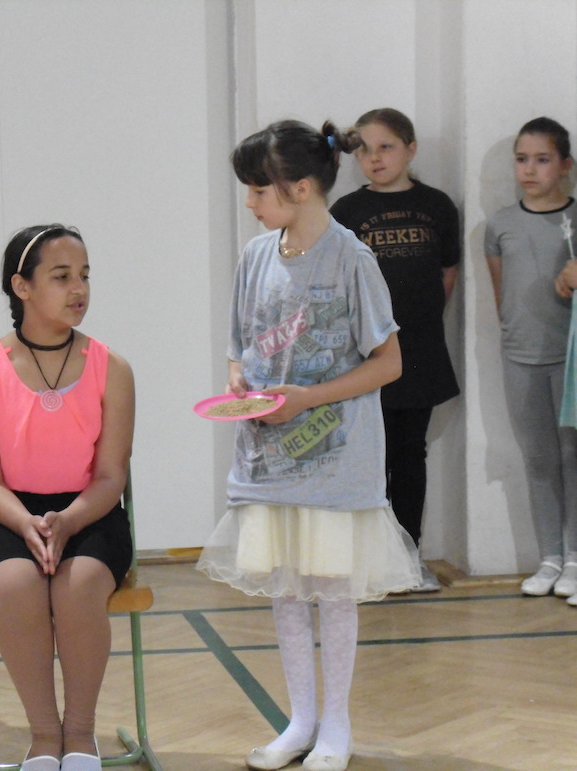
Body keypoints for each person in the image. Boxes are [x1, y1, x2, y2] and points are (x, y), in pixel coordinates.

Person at [197, 120, 421, 771]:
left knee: (332, 590)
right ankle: (300, 720)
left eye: (257, 189)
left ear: (299, 188)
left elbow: (388, 363)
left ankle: (337, 725)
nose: (248, 202)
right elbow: (240, 346)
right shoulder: (254, 256)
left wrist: (307, 398)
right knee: (287, 590)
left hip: (335, 460)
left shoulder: (353, 259)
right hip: (268, 462)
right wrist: (240, 380)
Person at [0, 225, 135, 771]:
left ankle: (79, 733)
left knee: (78, 589)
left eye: (84, 275)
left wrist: (69, 520)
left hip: (90, 513)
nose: (78, 288)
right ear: (23, 287)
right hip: (8, 516)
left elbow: (111, 475)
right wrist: (27, 524)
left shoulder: (112, 367)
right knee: (17, 587)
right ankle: (42, 734)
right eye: (61, 277)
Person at [330, 108, 461, 593]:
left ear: (410, 149)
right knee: (368, 458)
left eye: (385, 146)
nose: (375, 158)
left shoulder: (437, 205)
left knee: (409, 454)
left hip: (420, 351)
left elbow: (447, 273)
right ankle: (368, 560)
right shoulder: (346, 211)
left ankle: (408, 557)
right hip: (365, 357)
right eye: (364, 149)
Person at [486, 117, 577, 598]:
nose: (530, 169)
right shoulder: (500, 224)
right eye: (522, 159)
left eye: (542, 159)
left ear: (565, 165)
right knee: (538, 459)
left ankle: (576, 559)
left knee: (573, 455)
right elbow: (502, 295)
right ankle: (550, 558)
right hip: (521, 358)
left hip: (570, 358)